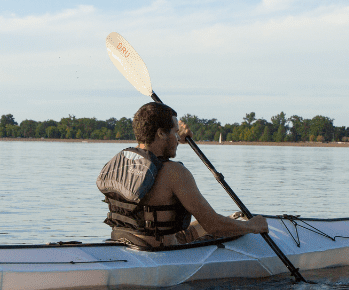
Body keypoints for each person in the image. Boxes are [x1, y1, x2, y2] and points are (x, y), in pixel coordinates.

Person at [98, 102, 268, 248]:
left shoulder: (122, 162)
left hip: (124, 243)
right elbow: (214, 226)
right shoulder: (175, 174)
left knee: (215, 223)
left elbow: (153, 160)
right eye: (174, 132)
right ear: (160, 133)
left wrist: (173, 136)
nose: (178, 139)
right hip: (160, 251)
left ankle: (235, 220)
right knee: (231, 227)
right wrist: (252, 227)